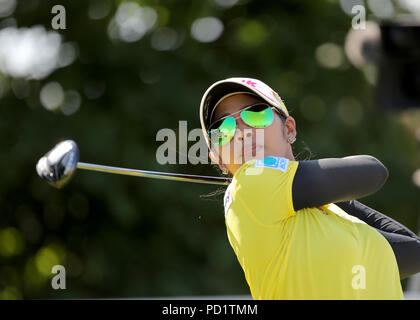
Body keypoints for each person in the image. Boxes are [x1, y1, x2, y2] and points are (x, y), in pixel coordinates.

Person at [199, 77, 420, 300]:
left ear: (289, 129)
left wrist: (322, 195)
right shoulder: (249, 184)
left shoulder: (332, 214)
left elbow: (414, 252)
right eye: (222, 128)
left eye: (256, 113)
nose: (240, 131)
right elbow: (372, 171)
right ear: (217, 158)